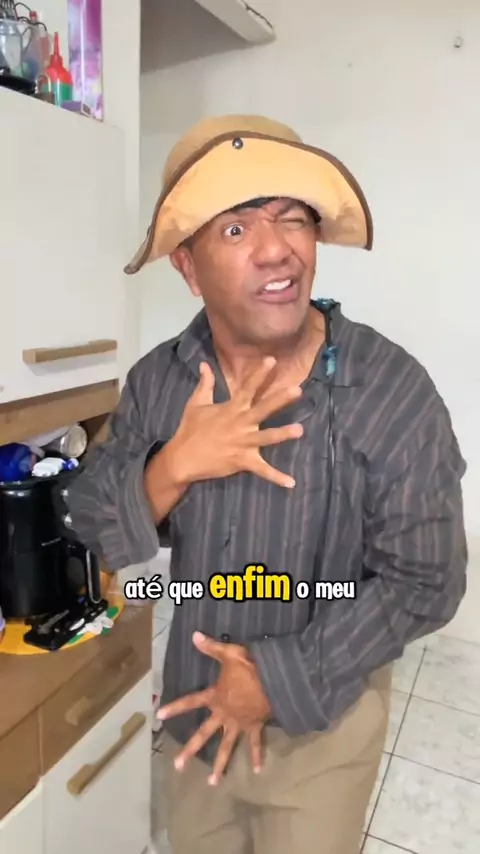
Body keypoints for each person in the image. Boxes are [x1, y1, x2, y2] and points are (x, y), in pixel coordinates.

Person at [67, 115, 468, 854]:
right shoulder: (160, 381)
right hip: (194, 715)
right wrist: (173, 466)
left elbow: (428, 581)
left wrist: (275, 679)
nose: (277, 248)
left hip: (320, 733)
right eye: (235, 228)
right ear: (188, 268)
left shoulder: (390, 389)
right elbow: (90, 515)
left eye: (292, 219)